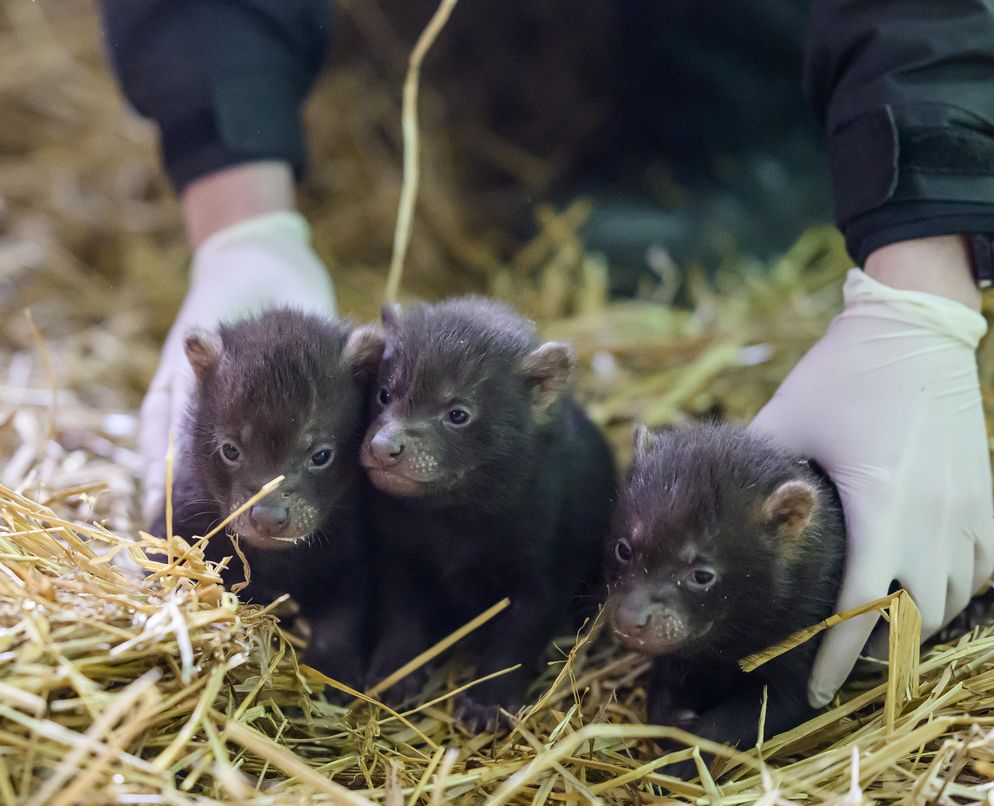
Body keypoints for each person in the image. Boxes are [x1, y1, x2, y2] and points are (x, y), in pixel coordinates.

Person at [97, 0, 994, 710]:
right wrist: (239, 209)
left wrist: (925, 275)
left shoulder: (541, 476)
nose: (384, 442)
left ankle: (734, 132)